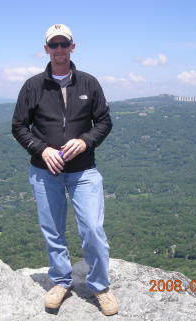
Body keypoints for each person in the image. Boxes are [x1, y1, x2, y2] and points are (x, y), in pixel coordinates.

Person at [11, 24, 118, 316]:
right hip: (45, 171)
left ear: (73, 47)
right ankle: (60, 281)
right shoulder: (33, 86)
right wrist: (42, 149)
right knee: (53, 230)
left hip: (84, 171)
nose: (59, 49)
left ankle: (100, 286)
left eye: (64, 44)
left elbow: (104, 122)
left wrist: (85, 142)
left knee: (93, 230)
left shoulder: (89, 83)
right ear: (46, 49)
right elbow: (18, 126)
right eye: (53, 44)